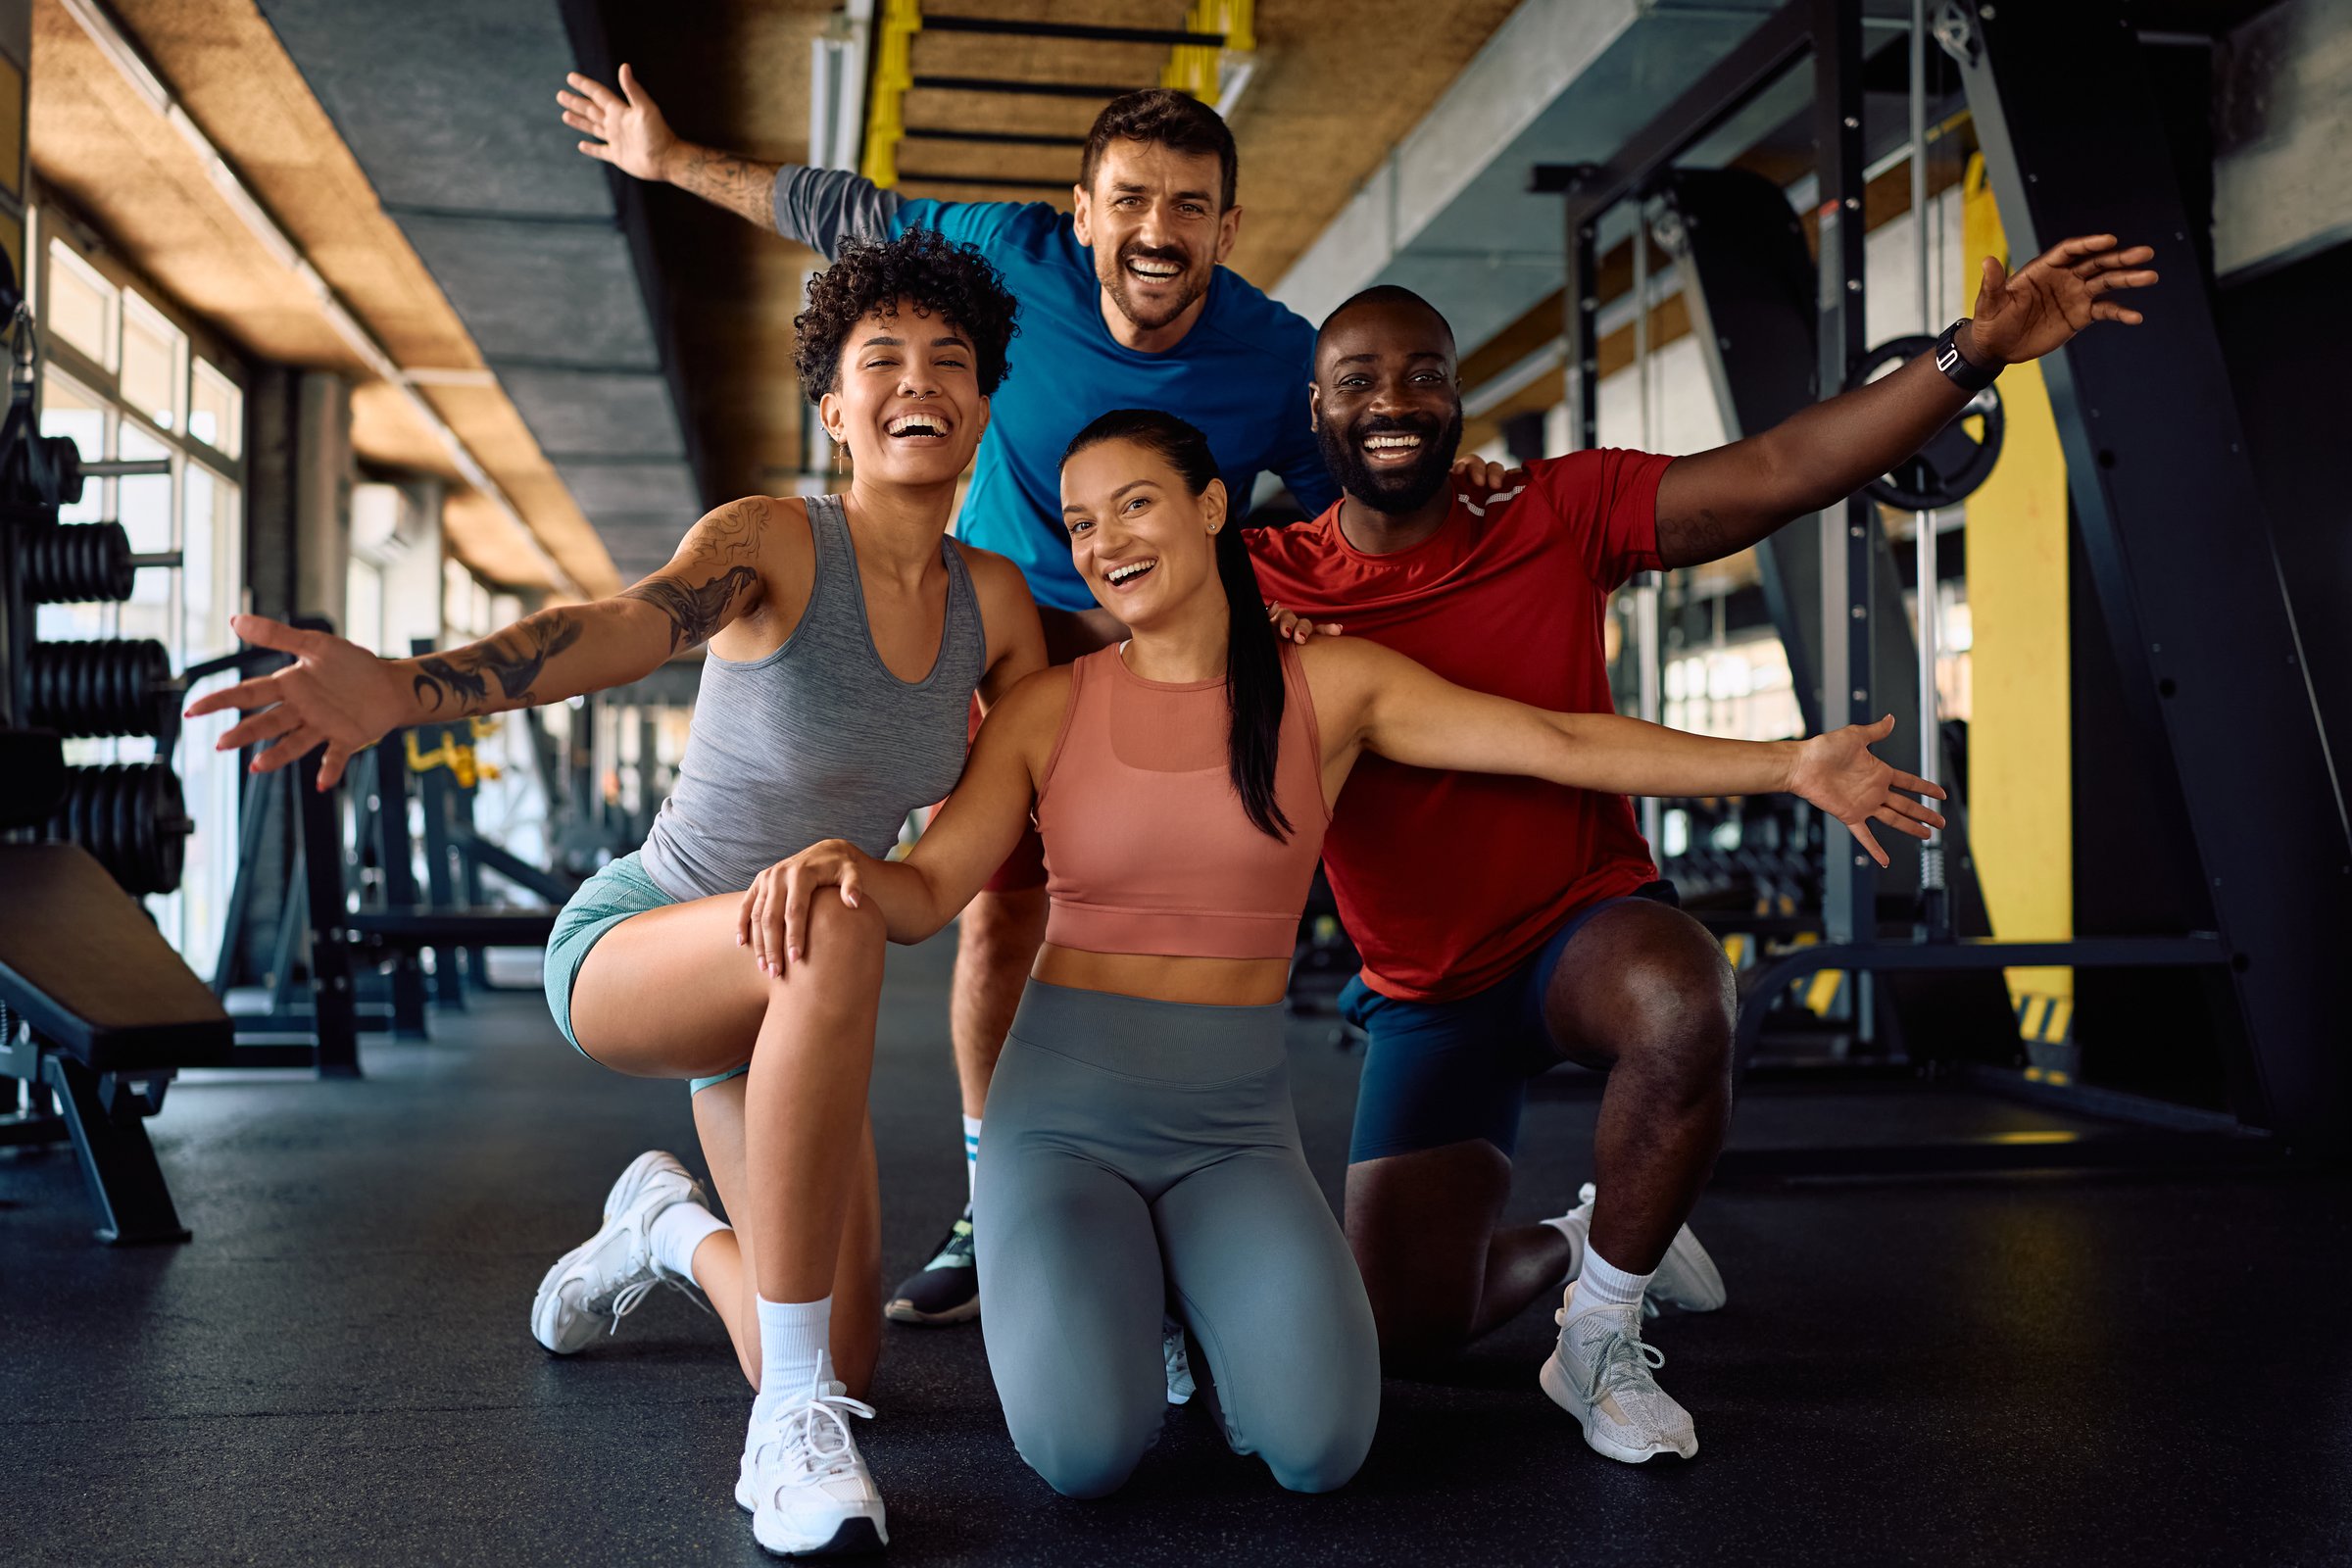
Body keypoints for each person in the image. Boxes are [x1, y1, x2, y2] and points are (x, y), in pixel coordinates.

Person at [745, 409, 1944, 1499]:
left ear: (1212, 508)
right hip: (1061, 1124)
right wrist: (843, 862)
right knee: (1085, 1455)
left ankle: (1186, 1282)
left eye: (1136, 502)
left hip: (1232, 1133)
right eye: (1080, 520)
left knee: (1321, 1448)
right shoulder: (1046, 709)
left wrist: (1788, 762)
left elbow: (1555, 740)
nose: (1105, 538)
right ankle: (1140, 1284)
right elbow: (928, 891)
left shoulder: (1335, 687)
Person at [184, 229, 1047, 1555]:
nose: (917, 379)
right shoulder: (771, 542)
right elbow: (621, 624)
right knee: (830, 917)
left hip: (802, 982)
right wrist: (412, 689)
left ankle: (661, 1229)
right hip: (645, 944)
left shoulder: (996, 606)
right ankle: (784, 1437)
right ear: (834, 408)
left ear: (985, 400)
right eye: (882, 358)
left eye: (950, 359)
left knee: (841, 1343)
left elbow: (991, 819)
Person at [1242, 236, 2156, 1462]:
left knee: (1682, 996)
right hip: (1425, 991)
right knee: (1403, 1328)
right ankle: (1598, 1236)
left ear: (1458, 399)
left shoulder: (1551, 510)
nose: (1393, 401)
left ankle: (1601, 1333)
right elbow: (1093, 598)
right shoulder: (1267, 583)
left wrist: (1971, 355)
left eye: (1422, 375)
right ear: (1317, 409)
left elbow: (1778, 470)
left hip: (1579, 926)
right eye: (1358, 380)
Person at [557, 67, 1345, 1327]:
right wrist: (666, 159)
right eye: (1130, 199)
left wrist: (1324, 569)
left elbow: (1334, 497)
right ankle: (992, 1196)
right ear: (1077, 210)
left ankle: (1150, 1174)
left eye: (1189, 207)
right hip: (1010, 648)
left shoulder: (1279, 355)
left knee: (1151, 898)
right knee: (1002, 912)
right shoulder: (999, 249)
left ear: (1227, 228)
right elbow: (832, 209)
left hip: (1153, 661)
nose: (1156, 230)